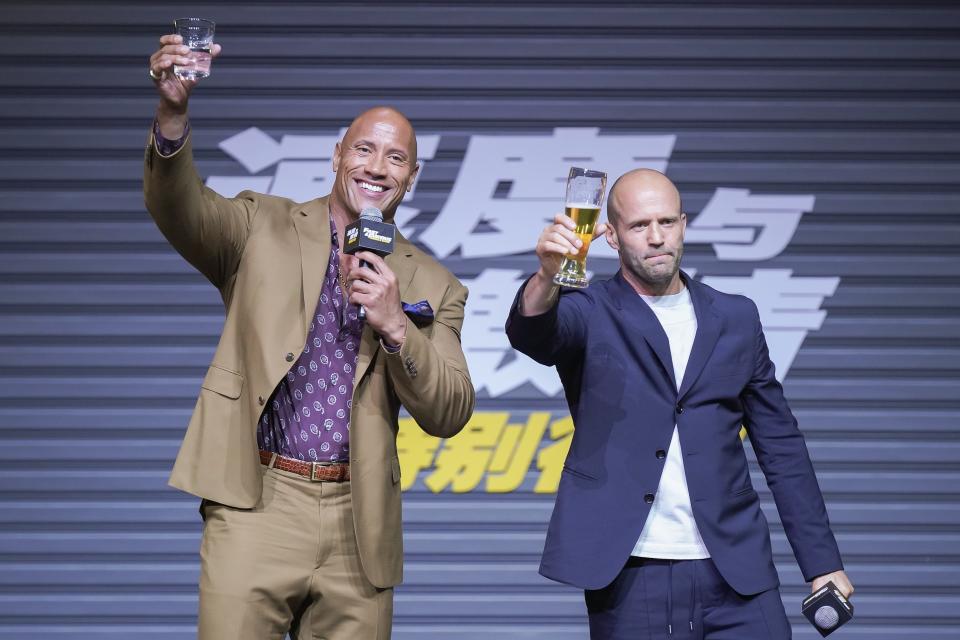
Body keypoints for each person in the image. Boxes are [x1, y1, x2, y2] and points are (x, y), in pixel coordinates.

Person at [145, 34, 474, 640]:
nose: (377, 168)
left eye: (396, 158)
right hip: (257, 500)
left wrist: (398, 325)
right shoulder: (259, 225)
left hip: (360, 520)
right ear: (337, 154)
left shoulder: (433, 282)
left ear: (413, 176)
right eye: (365, 150)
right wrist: (173, 115)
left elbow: (450, 409)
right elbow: (179, 208)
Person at [505, 169, 852, 639]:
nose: (656, 238)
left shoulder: (735, 317)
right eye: (639, 226)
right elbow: (533, 333)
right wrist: (547, 274)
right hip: (632, 573)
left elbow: (781, 446)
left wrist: (822, 562)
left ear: (684, 225)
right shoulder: (589, 310)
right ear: (610, 235)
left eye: (666, 222)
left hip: (737, 570)